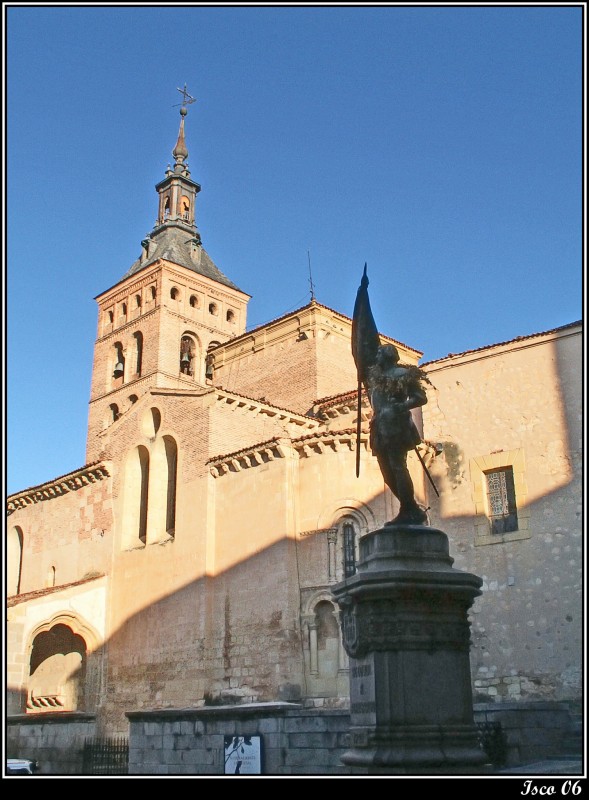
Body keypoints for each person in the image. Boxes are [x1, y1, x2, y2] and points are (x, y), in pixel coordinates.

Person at [352, 265, 430, 526]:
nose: (376, 355)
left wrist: (400, 407)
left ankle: (409, 511)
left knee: (398, 466)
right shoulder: (373, 377)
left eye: (381, 353)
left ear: (390, 356)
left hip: (396, 425)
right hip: (380, 427)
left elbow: (420, 398)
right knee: (387, 473)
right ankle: (409, 509)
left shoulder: (401, 375)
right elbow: (362, 350)